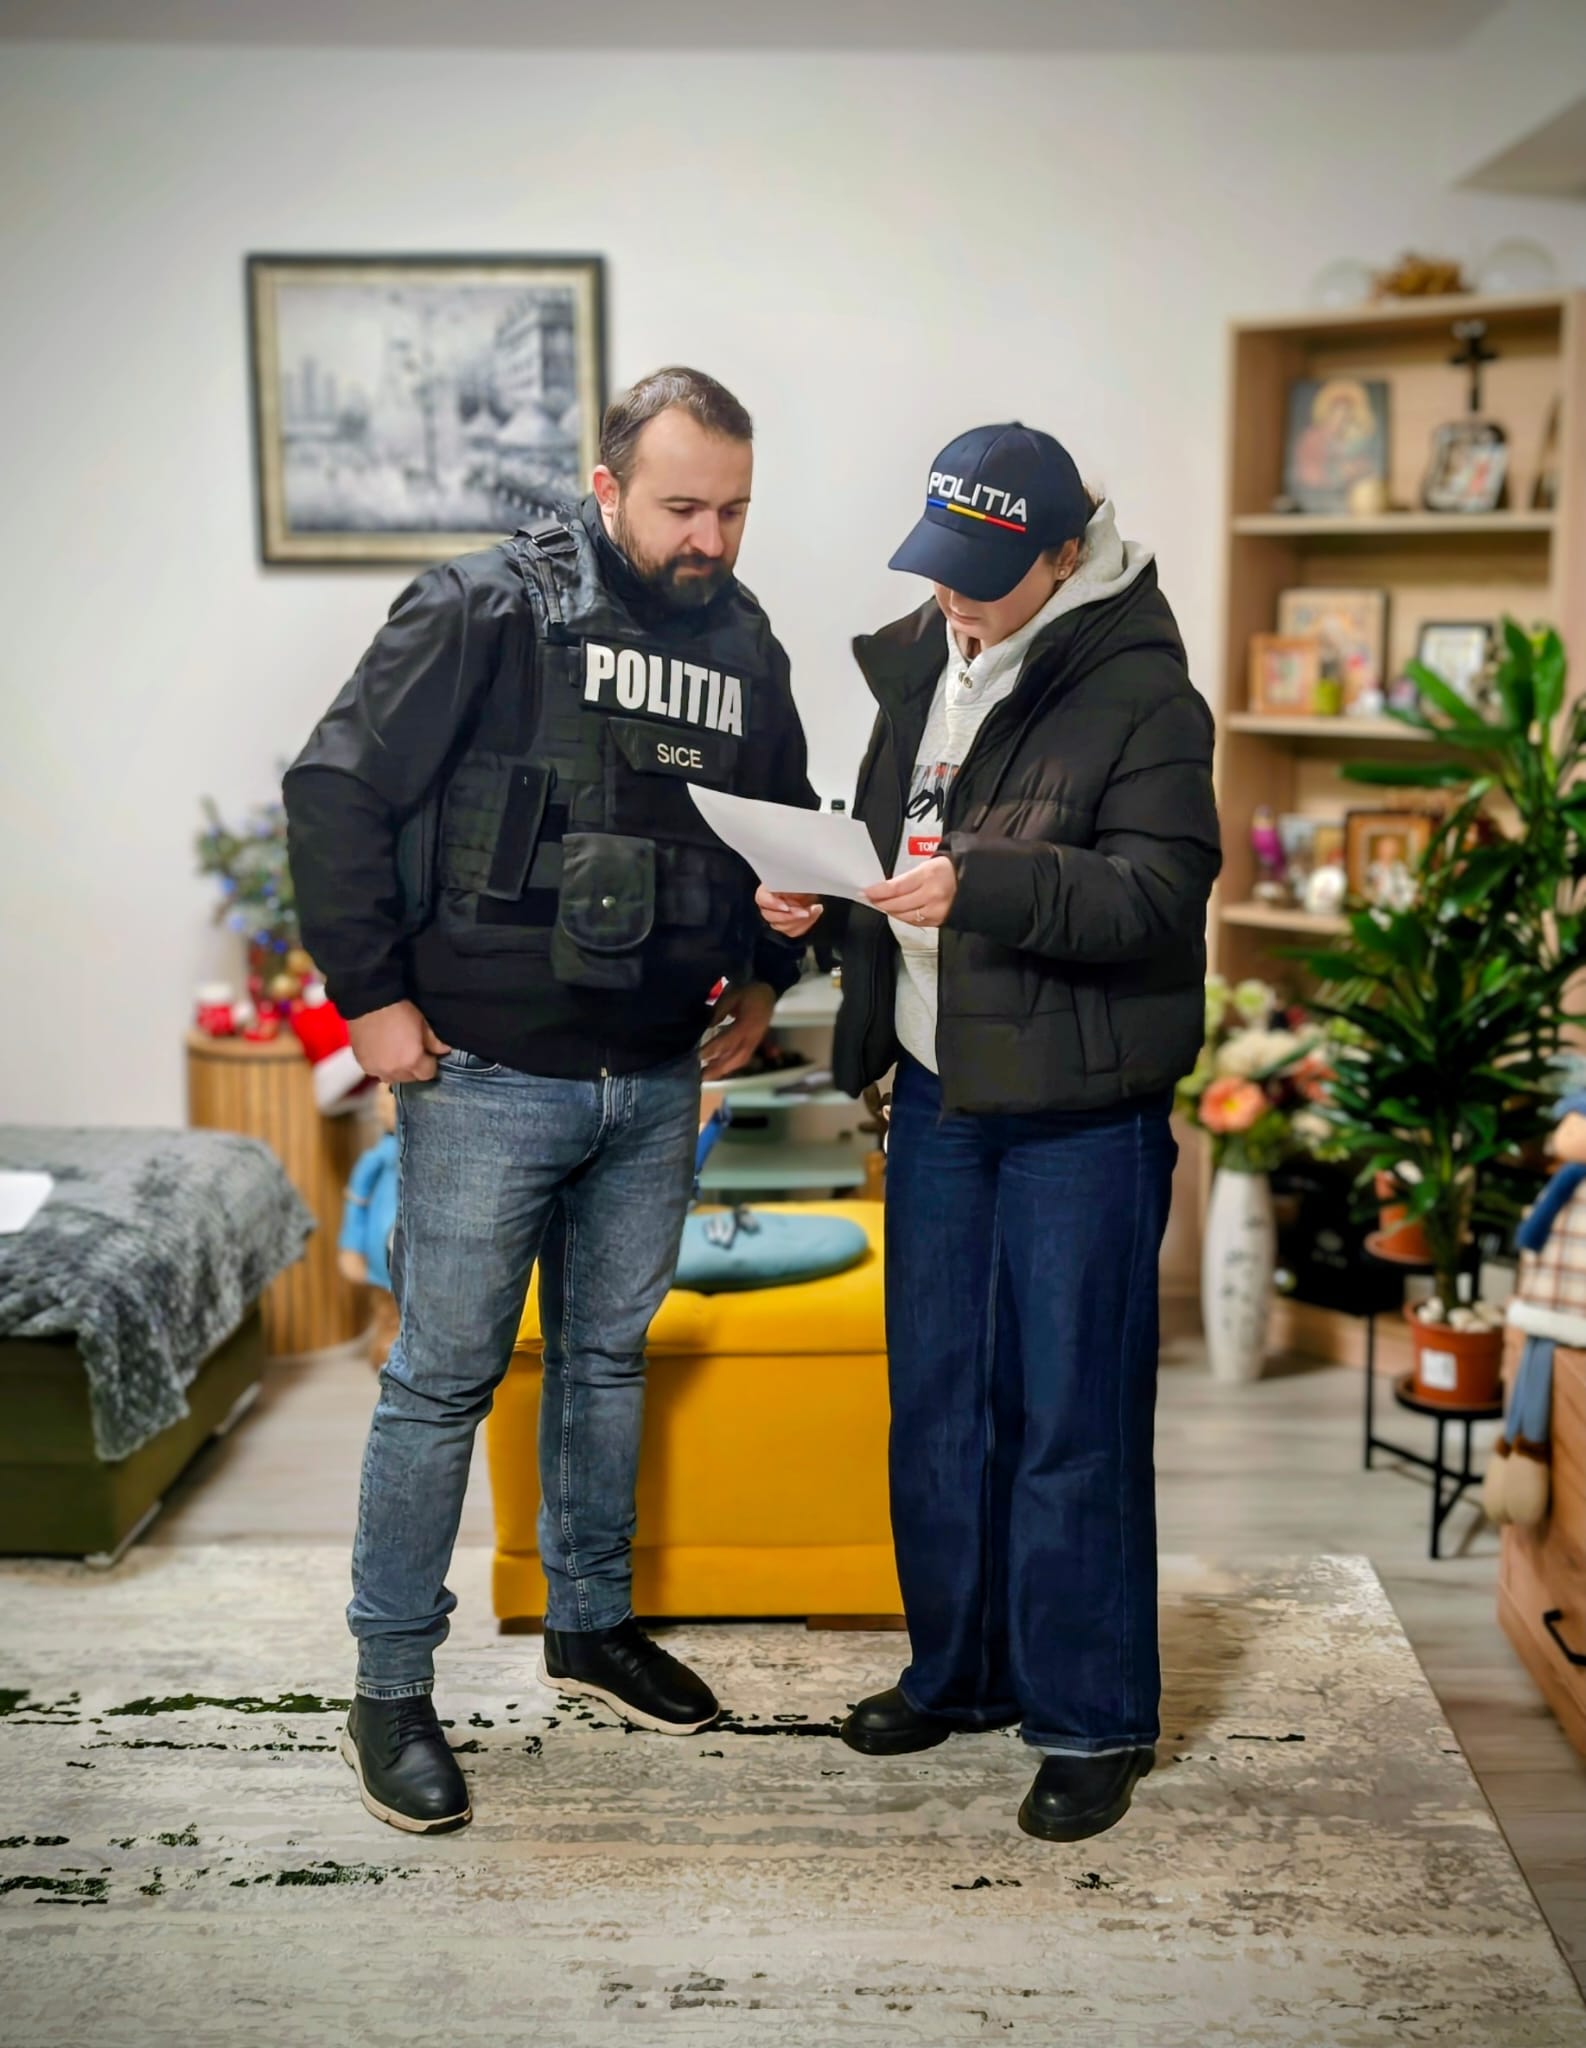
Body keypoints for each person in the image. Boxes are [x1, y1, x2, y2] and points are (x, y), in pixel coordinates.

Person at [285, 367, 814, 1835]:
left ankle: (590, 1626)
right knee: (441, 1381)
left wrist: (772, 971)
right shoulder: (479, 608)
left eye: (734, 510)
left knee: (603, 1363)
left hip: (654, 1073)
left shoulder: (745, 641)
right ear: (604, 489)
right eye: (683, 506)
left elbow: (782, 826)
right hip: (486, 1073)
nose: (711, 538)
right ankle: (390, 1690)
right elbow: (333, 791)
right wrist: (369, 999)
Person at [759, 422, 1220, 1843]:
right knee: (942, 1400)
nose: (951, 594)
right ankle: (958, 1672)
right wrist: (814, 897)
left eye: (982, 572)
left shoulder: (1144, 695)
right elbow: (895, 850)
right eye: (939, 564)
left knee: (1070, 1416)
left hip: (1082, 1113)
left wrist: (986, 882)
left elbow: (1156, 897)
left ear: (1064, 556)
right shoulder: (923, 661)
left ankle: (1090, 1719)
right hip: (936, 1088)